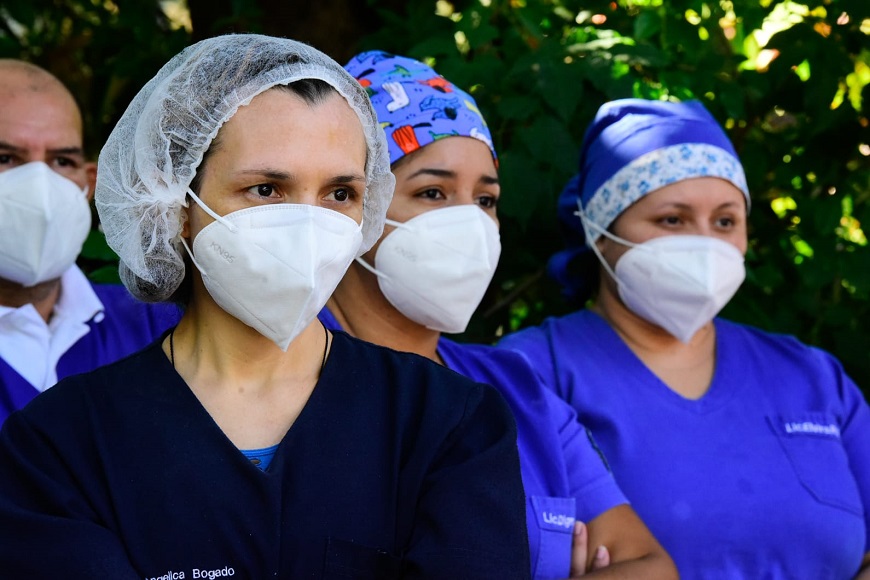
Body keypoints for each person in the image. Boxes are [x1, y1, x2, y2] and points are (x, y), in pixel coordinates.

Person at [0, 35, 530, 578]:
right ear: (176, 204)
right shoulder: (60, 446)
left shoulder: (449, 424)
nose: (308, 223)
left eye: (340, 194)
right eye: (266, 189)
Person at [325, 51, 677, 579]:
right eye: (433, 192)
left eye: (485, 200)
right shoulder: (281, 369)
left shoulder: (515, 390)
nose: (468, 221)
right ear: (353, 203)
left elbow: (650, 566)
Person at [500, 98, 870, 578]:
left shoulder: (813, 377)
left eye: (725, 221)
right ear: (599, 231)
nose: (704, 243)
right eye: (672, 220)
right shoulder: (531, 372)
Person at [0, 60, 178, 424]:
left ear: (89, 183)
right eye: (5, 157)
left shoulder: (160, 325)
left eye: (62, 160)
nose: (40, 185)